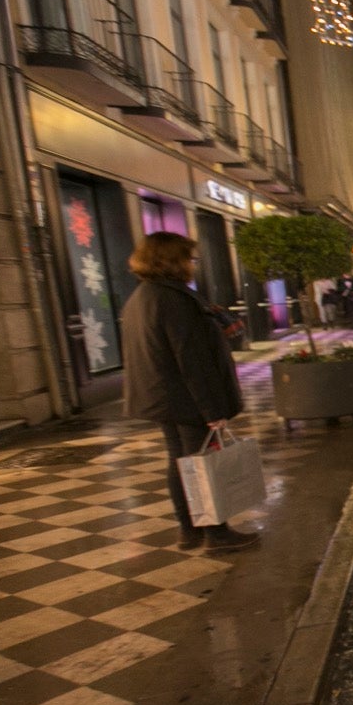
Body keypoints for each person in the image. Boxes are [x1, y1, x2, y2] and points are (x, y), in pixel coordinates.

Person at [120, 231, 257, 554]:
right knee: (199, 464)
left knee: (181, 461)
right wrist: (212, 411)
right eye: (190, 258)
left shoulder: (143, 296)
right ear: (172, 260)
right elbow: (191, 359)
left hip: (164, 397)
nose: (193, 265)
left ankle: (190, 530)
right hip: (185, 398)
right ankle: (216, 533)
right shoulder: (174, 299)